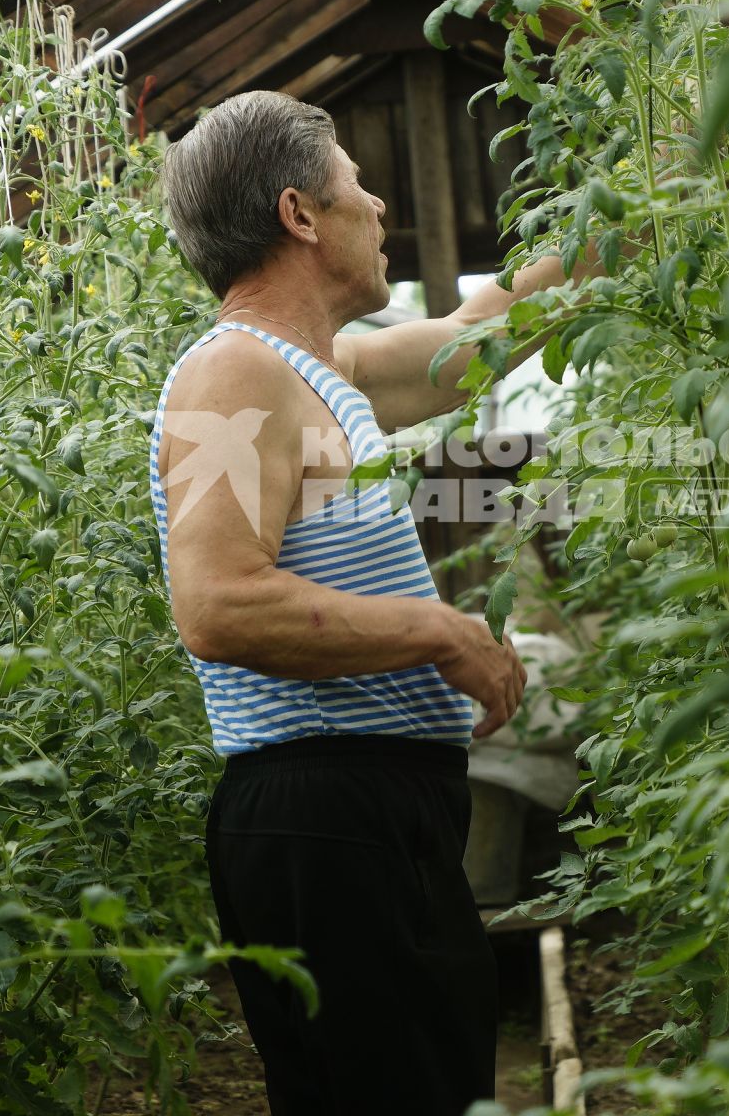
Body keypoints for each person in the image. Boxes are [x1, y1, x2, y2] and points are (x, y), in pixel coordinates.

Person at [149, 90, 603, 1114]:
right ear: (300, 214)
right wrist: (440, 631)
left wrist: (597, 239)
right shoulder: (231, 375)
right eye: (357, 185)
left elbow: (471, 341)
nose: (381, 204)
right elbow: (217, 603)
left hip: (371, 813)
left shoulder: (321, 368)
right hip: (322, 816)